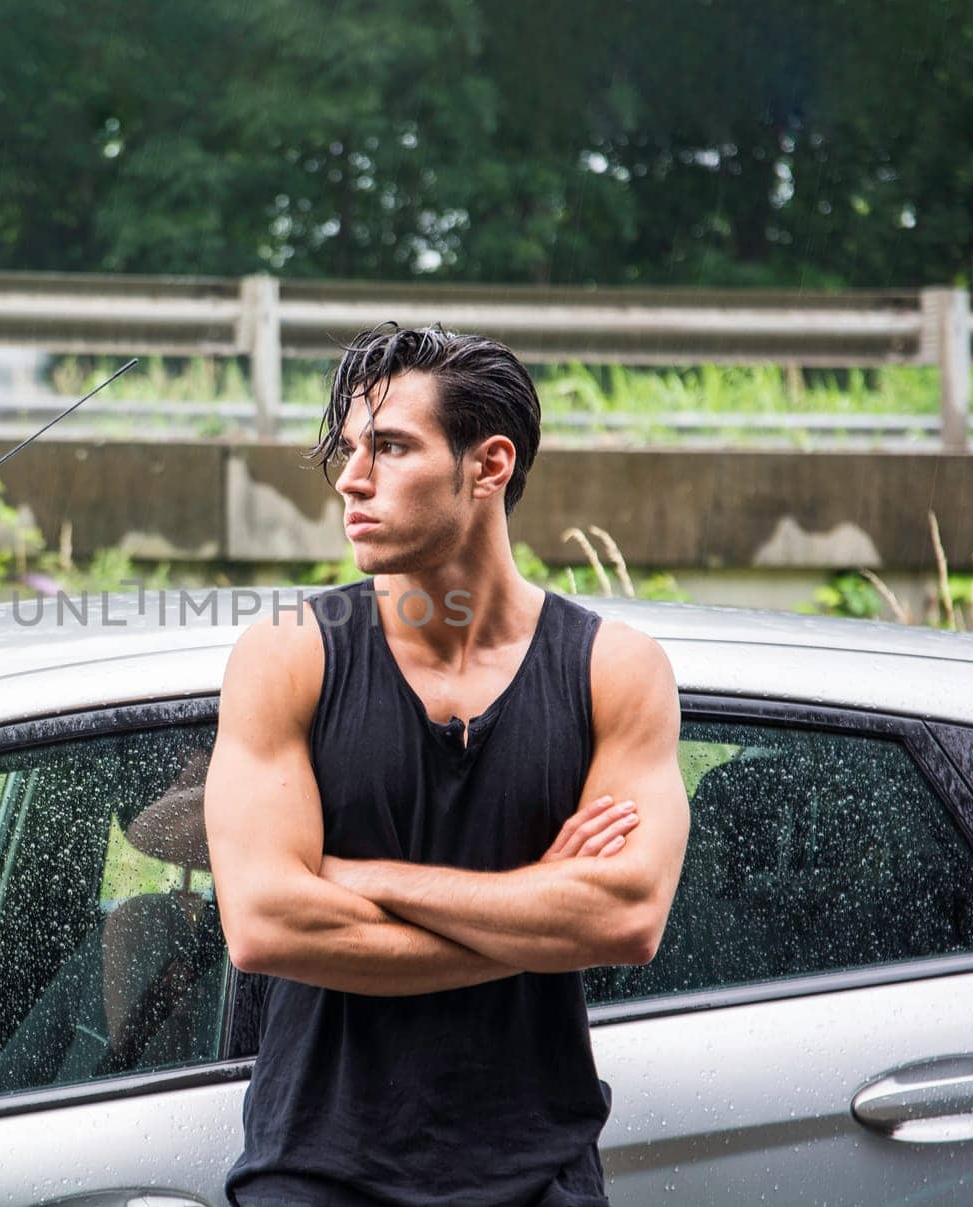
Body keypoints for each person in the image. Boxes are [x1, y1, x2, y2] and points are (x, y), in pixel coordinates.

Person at [205, 324, 690, 1206]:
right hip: (317, 1176)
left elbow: (624, 919)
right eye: (350, 450)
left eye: (390, 447)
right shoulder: (290, 655)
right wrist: (538, 906)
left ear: (488, 465)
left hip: (539, 1175)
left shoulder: (613, 669)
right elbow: (266, 923)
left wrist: (364, 877)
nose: (352, 478)